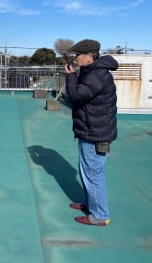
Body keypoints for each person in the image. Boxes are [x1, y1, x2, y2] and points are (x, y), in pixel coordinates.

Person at [63, 39, 118, 226]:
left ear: (89, 56)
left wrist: (70, 77)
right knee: (87, 170)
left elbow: (77, 96)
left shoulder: (96, 75)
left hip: (94, 132)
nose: (75, 58)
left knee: (93, 173)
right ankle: (90, 204)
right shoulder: (92, 73)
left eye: (78, 55)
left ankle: (100, 215)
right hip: (92, 129)